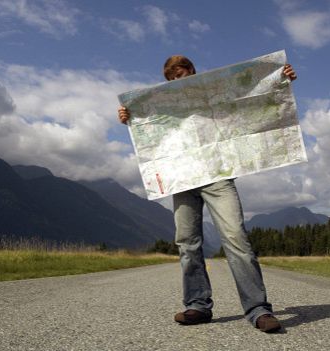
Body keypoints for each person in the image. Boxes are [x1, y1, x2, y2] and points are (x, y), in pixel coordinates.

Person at [117, 55, 297, 333]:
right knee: (187, 242)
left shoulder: (213, 93)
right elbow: (152, 131)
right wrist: (130, 118)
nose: (179, 79)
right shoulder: (164, 105)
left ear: (192, 72)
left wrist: (278, 79)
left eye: (183, 73)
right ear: (168, 80)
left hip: (217, 175)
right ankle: (198, 306)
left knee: (236, 237)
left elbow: (245, 99)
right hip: (182, 179)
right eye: (173, 77)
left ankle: (258, 309)